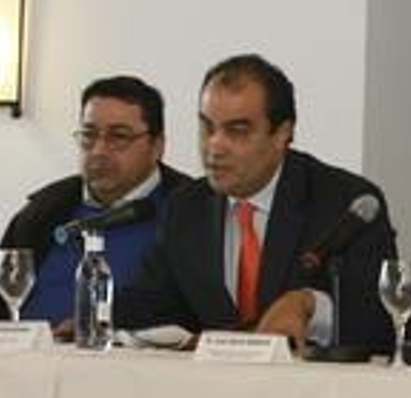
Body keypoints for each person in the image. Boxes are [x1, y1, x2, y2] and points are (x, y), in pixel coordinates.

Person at [115, 54, 396, 351]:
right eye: (207, 127)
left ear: (282, 134)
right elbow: (146, 306)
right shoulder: (186, 207)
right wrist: (96, 309)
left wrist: (311, 305)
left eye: (237, 131)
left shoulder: (344, 204)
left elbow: (379, 321)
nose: (214, 146)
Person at [0, 75, 191, 327]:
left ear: (157, 146)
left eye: (118, 137)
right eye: (89, 135)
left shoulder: (195, 212)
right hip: (28, 350)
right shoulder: (43, 211)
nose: (99, 150)